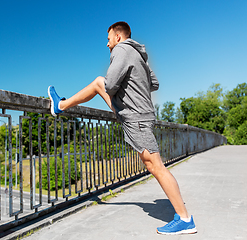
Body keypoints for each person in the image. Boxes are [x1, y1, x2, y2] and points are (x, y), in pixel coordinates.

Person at [47, 21, 197, 235]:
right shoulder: (139, 54)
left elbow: (110, 85)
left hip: (136, 117)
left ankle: (185, 219)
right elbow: (154, 84)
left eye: (108, 39)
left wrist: (129, 93)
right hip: (138, 114)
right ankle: (60, 105)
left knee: (156, 166)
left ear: (118, 37)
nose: (107, 45)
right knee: (98, 82)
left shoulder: (122, 50)